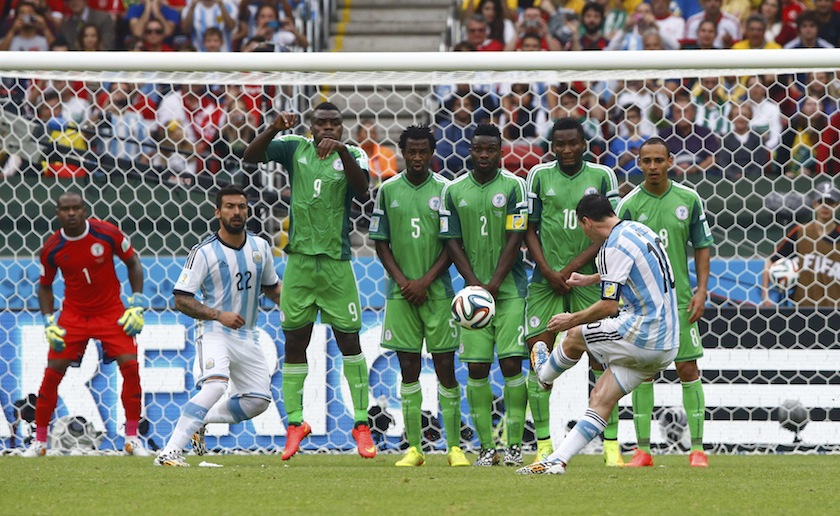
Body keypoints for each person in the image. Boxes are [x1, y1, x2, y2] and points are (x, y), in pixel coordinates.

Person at [243, 103, 376, 460]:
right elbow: (250, 156)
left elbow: (363, 191)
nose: (329, 128)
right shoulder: (294, 147)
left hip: (336, 263)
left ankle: (361, 424)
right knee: (295, 341)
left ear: (343, 127)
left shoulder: (355, 154)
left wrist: (344, 152)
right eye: (322, 123)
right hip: (299, 261)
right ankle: (296, 423)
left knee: (349, 340)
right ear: (312, 126)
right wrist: (272, 127)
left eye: (335, 123)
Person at [516, 193, 679, 475]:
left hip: (643, 333)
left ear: (586, 222)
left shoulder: (611, 247)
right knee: (601, 399)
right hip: (667, 345)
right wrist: (590, 278)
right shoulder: (638, 230)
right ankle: (557, 461)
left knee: (575, 335)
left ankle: (544, 375)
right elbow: (636, 270)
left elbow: (608, 306)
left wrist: (570, 319)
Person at [155, 185, 282, 467]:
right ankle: (169, 452)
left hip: (247, 335)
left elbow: (272, 288)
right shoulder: (203, 252)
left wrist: (296, 305)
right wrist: (217, 315)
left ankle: (201, 421)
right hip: (215, 332)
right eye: (229, 207)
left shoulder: (261, 247)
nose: (236, 212)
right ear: (217, 212)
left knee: (259, 401)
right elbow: (181, 299)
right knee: (214, 387)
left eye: (241, 207)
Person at [524, 117, 622, 467]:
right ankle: (543, 444)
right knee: (538, 351)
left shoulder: (602, 176)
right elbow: (528, 229)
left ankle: (610, 445)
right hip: (545, 278)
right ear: (551, 145)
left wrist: (570, 269)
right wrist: (549, 270)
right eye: (559, 144)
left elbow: (611, 231)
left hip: (590, 276)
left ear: (585, 143)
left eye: (572, 143)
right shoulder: (537, 176)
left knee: (602, 357)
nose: (566, 150)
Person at [370, 125, 470, 468]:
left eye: (422, 152)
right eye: (410, 152)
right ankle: (414, 449)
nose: (416, 158)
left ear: (432, 153)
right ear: (402, 152)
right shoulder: (387, 190)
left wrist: (425, 281)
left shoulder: (447, 190)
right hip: (400, 296)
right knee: (408, 368)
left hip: (438, 293)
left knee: (445, 367)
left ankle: (454, 448)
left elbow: (452, 243)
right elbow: (380, 241)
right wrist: (403, 281)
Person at [25, 192, 148, 457]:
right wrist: (48, 322)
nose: (71, 214)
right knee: (52, 373)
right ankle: (40, 442)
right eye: (65, 209)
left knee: (131, 366)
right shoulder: (52, 248)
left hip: (111, 312)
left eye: (76, 208)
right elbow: (44, 287)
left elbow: (133, 263)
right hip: (74, 315)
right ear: (57, 213)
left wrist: (136, 303)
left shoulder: (107, 233)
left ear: (85, 210)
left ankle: (132, 438)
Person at [616, 137, 713, 468]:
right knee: (643, 372)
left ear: (671, 161)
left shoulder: (689, 199)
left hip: (681, 301)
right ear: (639, 164)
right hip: (642, 305)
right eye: (647, 161)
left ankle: (697, 449)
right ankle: (643, 451)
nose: (653, 166)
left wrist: (701, 291)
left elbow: (702, 246)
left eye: (659, 160)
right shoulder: (627, 205)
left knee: (687, 368)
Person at [440, 124, 529, 467]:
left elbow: (516, 238)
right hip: (473, 294)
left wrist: (493, 283)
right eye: (478, 149)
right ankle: (486, 447)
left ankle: (514, 447)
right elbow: (451, 240)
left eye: (490, 149)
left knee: (510, 364)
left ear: (500, 151)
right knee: (476, 368)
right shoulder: (453, 190)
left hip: (509, 291)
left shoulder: (513, 186)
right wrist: (475, 283)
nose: (484, 155)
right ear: (470, 150)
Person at [761, 183, 840, 308]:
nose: (825, 206)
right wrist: (765, 296)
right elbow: (771, 261)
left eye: (830, 202)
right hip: (803, 309)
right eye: (821, 202)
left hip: (835, 310)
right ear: (814, 204)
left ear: (837, 205)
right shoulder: (801, 232)